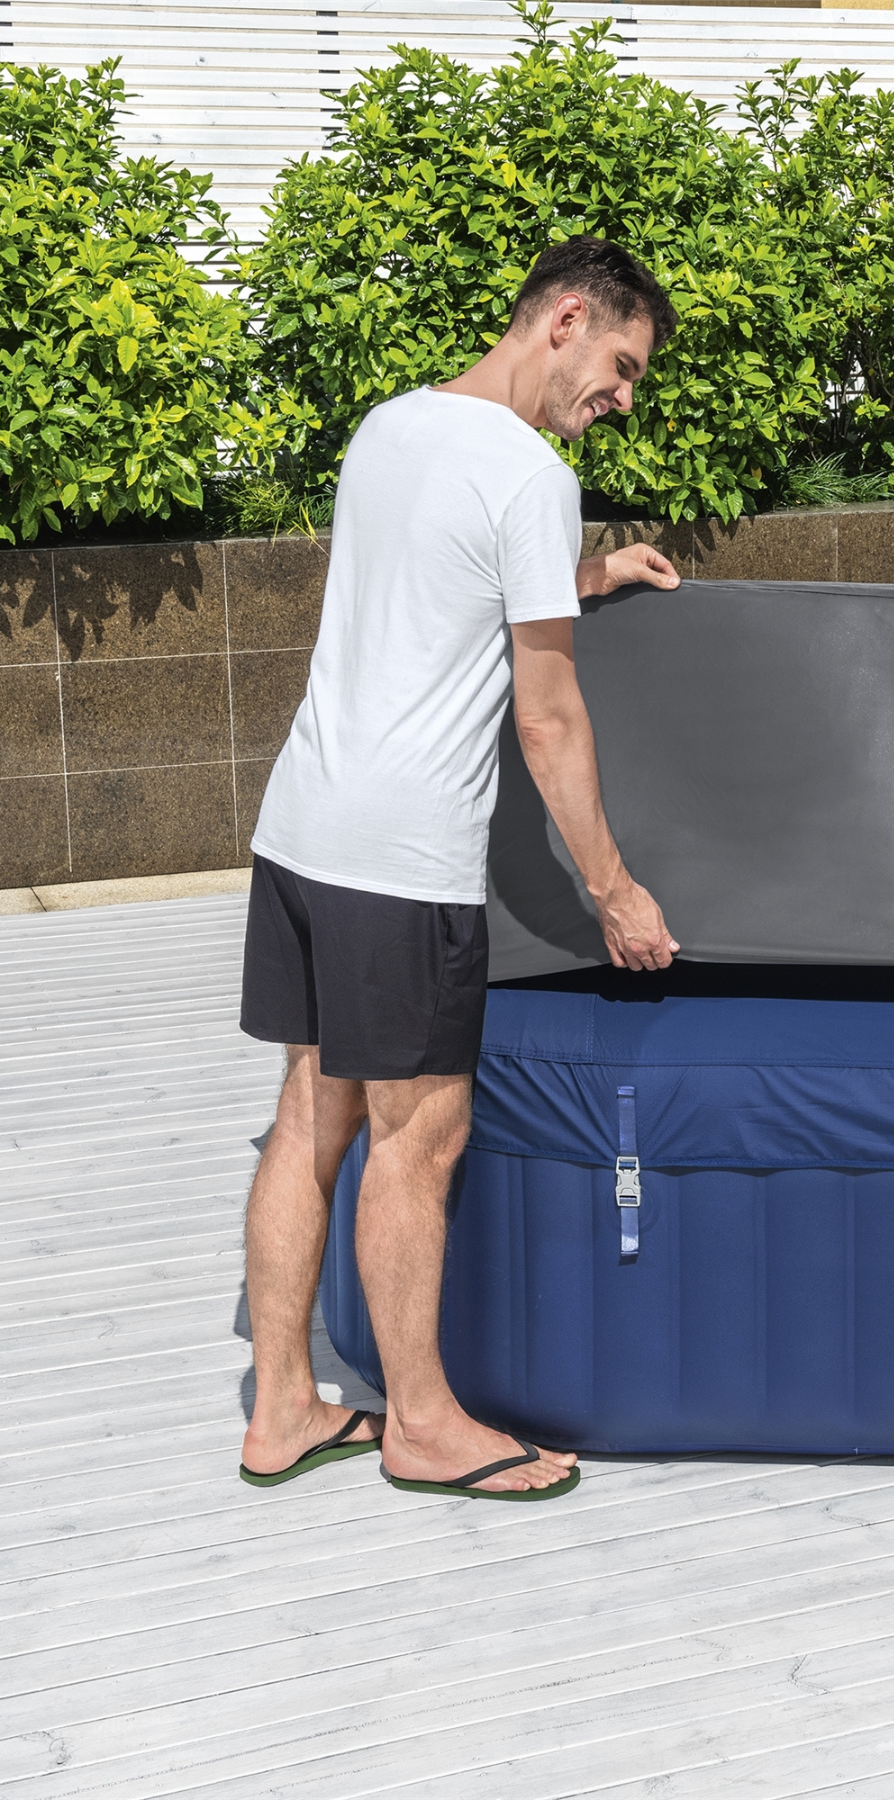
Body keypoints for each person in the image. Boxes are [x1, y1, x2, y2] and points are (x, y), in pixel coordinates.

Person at [236, 237, 683, 1501]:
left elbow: (432, 593)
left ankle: (281, 1408)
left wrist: (589, 576)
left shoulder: (393, 426)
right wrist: (614, 889)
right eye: (621, 366)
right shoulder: (530, 471)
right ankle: (424, 1423)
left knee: (306, 1118)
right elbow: (547, 720)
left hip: (304, 827)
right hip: (402, 857)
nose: (622, 397)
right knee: (417, 1138)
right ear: (569, 319)